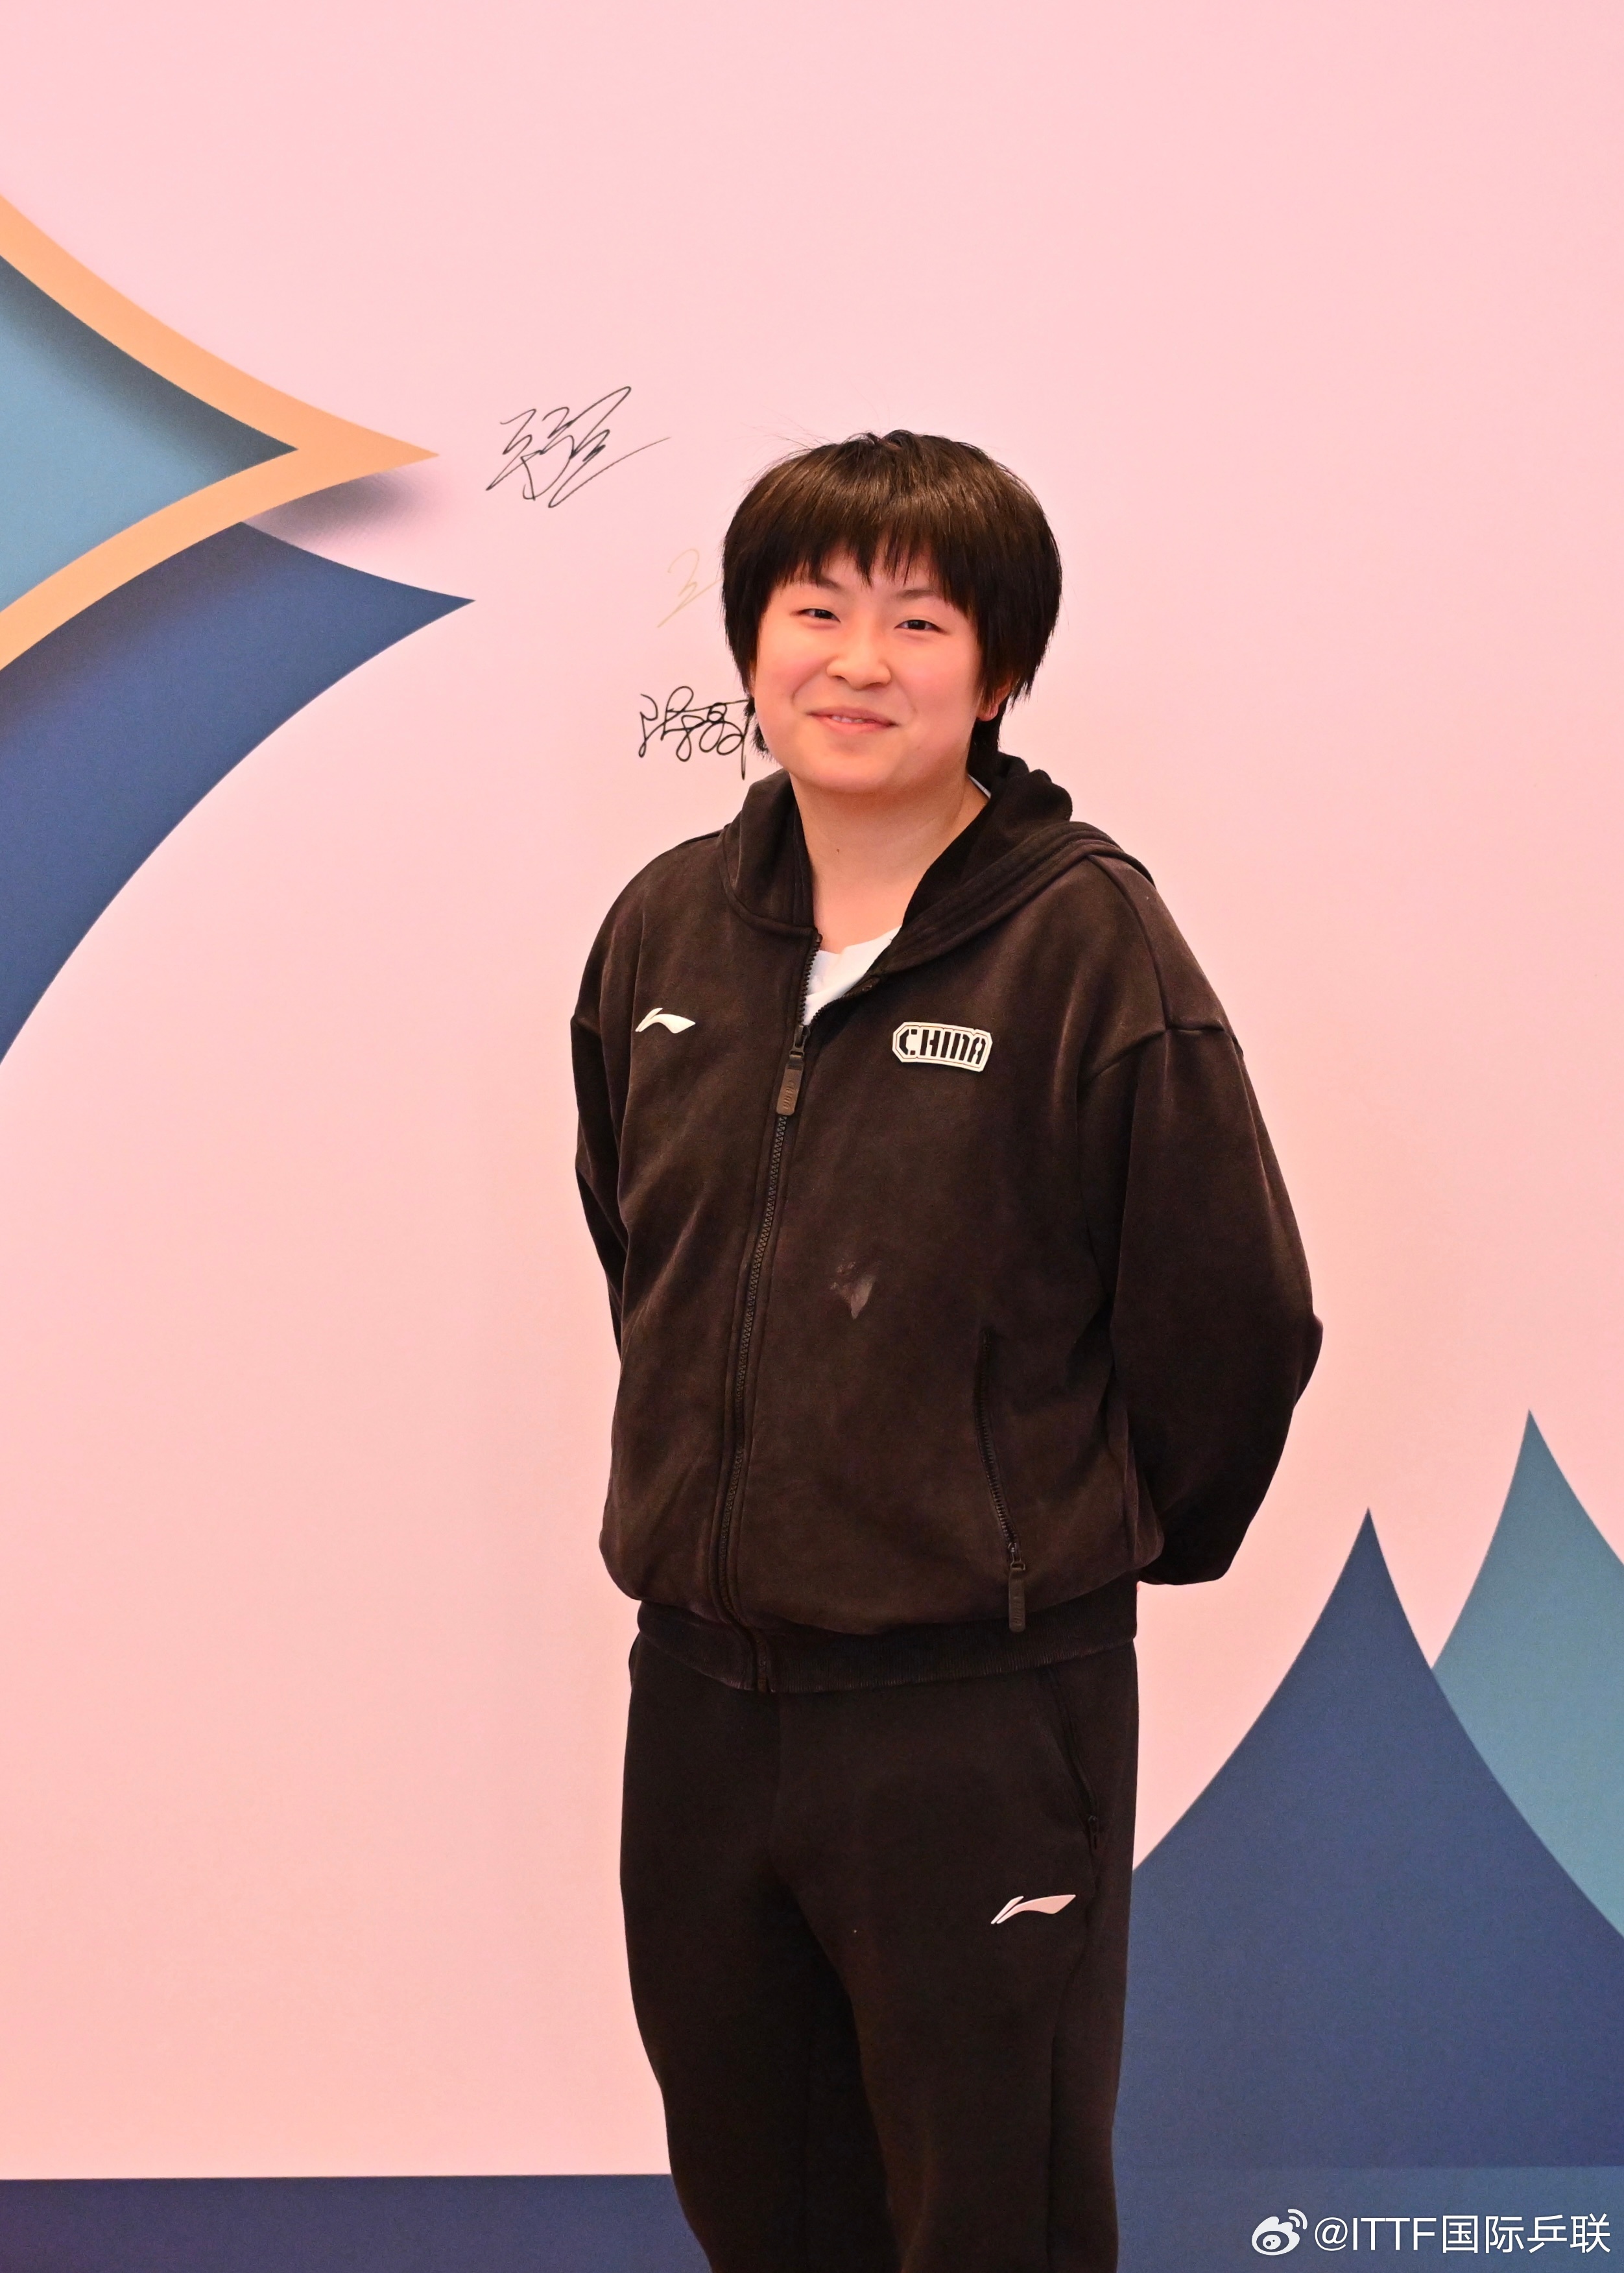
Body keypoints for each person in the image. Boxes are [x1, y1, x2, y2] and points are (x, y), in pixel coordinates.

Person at [571, 431, 1320, 2273]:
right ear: (751, 646)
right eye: (814, 611)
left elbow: (1234, 1316)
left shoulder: (1083, 941)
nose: (857, 660)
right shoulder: (666, 924)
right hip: (702, 1703)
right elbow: (648, 1251)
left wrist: (1047, 1544)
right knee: (761, 2207)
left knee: (993, 2223)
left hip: (975, 1715)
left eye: (918, 622)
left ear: (997, 674)